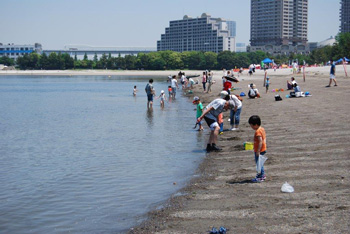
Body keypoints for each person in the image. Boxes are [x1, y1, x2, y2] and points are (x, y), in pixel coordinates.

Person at [248, 115, 267, 183]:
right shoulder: (262, 129)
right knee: (260, 163)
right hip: (263, 148)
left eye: (251, 126)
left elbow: (260, 141)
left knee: (259, 164)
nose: (251, 127)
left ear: (255, 124)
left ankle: (261, 176)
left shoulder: (258, 132)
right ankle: (261, 175)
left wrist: (258, 150)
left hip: (260, 150)